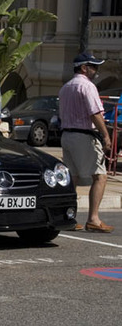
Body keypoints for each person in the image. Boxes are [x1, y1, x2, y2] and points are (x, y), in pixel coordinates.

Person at [59, 52, 113, 233]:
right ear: (84, 68)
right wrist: (106, 136)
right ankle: (93, 218)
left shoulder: (66, 87)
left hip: (67, 135)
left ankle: (68, 216)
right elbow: (95, 113)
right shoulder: (87, 87)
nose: (96, 70)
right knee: (100, 175)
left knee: (71, 178)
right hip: (84, 135)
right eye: (93, 66)